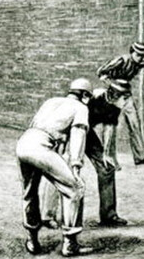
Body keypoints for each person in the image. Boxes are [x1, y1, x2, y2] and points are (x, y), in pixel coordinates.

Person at [16, 78, 94, 257]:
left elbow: (37, 125)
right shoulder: (81, 108)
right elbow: (78, 135)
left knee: (29, 193)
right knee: (75, 188)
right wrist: (76, 165)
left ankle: (32, 240)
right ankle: (70, 244)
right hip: (40, 148)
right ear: (85, 95)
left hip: (24, 143)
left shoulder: (51, 101)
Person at [40, 87, 129, 229]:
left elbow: (109, 129)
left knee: (107, 168)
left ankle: (109, 215)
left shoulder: (115, 107)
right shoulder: (92, 97)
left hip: (87, 132)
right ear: (113, 96)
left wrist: (106, 154)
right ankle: (47, 215)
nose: (126, 103)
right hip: (70, 130)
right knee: (62, 169)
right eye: (124, 99)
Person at [96, 39, 144, 165]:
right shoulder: (121, 60)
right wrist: (113, 84)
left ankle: (140, 156)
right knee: (111, 126)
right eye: (138, 55)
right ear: (132, 52)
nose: (141, 58)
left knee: (134, 123)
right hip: (114, 96)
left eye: (142, 56)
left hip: (126, 95)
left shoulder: (140, 61)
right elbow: (101, 72)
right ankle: (107, 157)